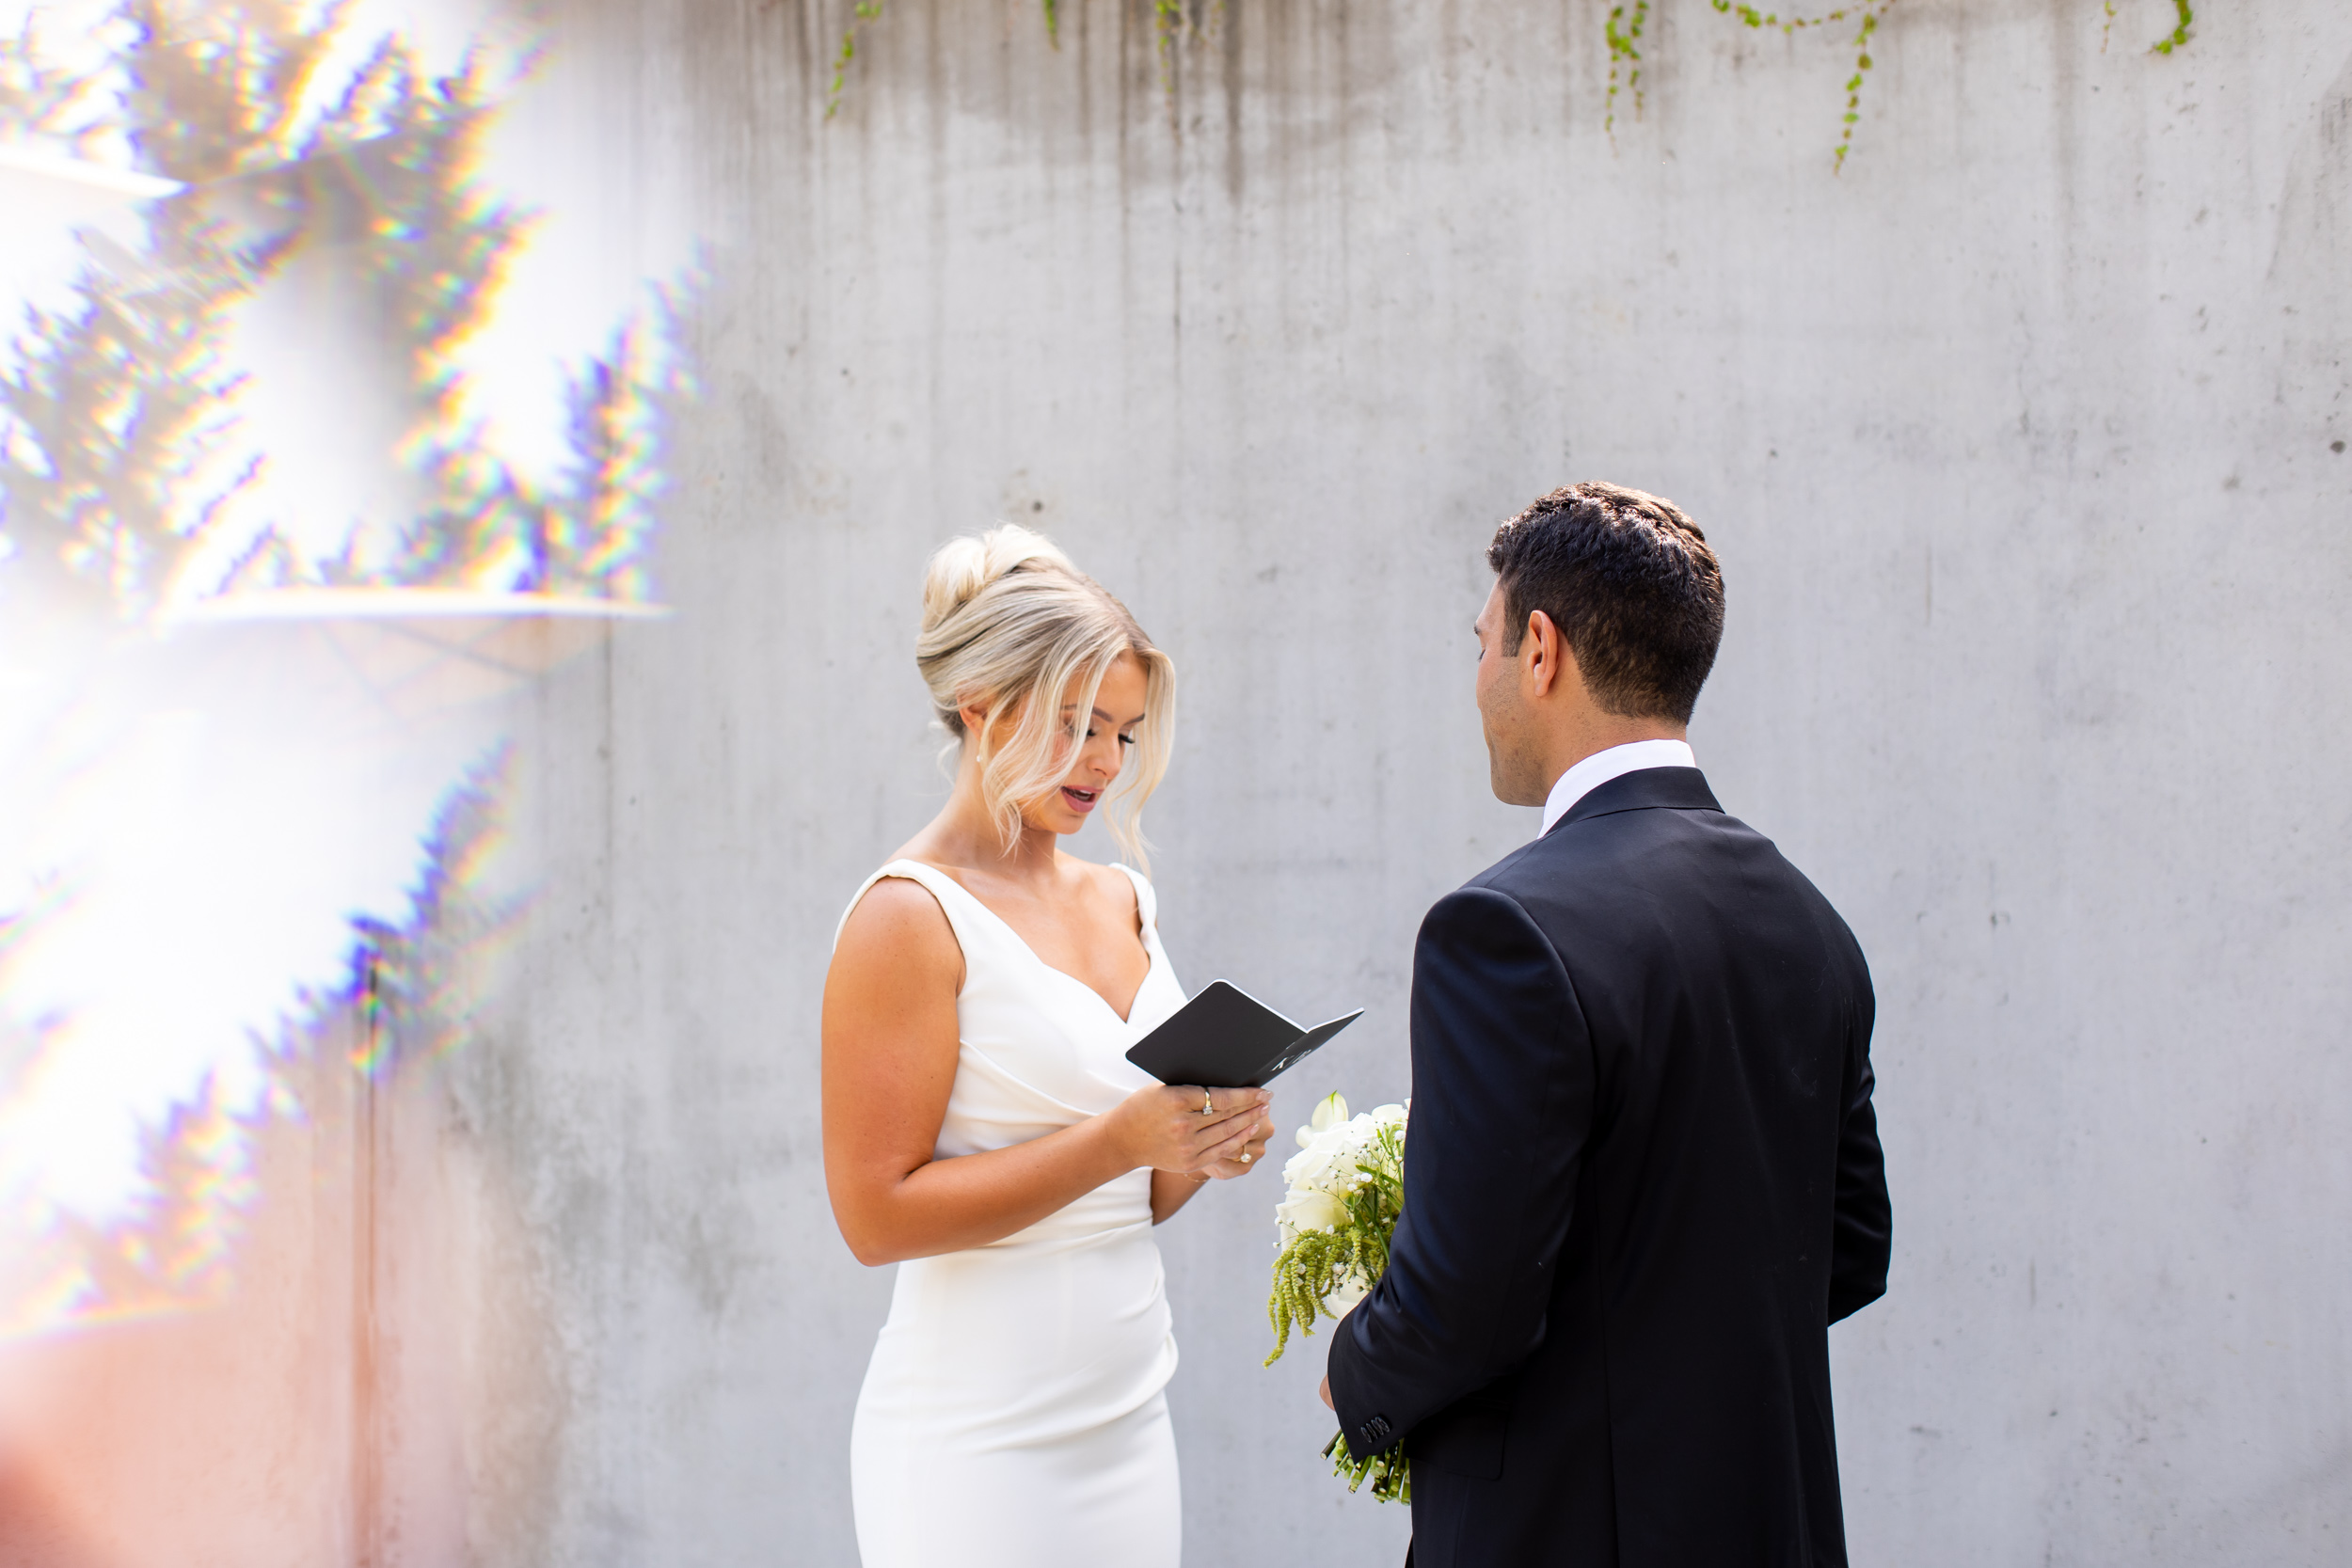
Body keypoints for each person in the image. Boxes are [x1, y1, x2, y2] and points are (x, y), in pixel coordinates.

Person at [1323, 483, 1892, 1566]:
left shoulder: (1499, 927)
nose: (1478, 677)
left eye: (1481, 640)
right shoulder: (1809, 920)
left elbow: (1463, 1307)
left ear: (1539, 649)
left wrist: (1359, 1370)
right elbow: (1851, 1248)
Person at [823, 523, 1275, 1568]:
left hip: (1126, 1419)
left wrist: (1204, 1143)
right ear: (983, 709)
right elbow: (873, 1215)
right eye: (1074, 724)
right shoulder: (909, 914)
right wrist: (1121, 1138)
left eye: (1121, 729)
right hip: (973, 1447)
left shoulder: (1126, 898)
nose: (1105, 762)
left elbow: (1138, 1188)